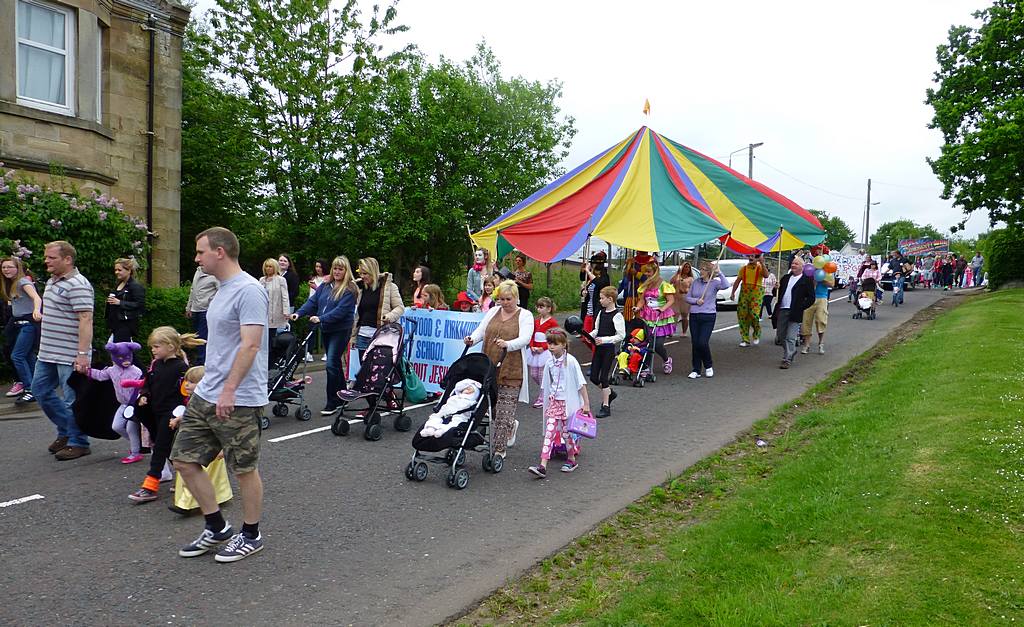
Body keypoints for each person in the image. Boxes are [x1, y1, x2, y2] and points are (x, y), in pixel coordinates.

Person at [171, 227, 269, 563]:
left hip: (239, 397)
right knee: (184, 460)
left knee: (243, 468)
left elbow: (251, 344)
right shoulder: (221, 290)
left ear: (220, 252)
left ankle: (251, 534)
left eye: (200, 252)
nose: (196, 259)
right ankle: (216, 527)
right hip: (208, 392)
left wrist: (229, 390)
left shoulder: (250, 291)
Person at [128, 326, 203, 503]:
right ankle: (187, 477)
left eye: (156, 346)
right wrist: (144, 395)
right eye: (152, 347)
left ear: (170, 346)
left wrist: (183, 413)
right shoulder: (156, 365)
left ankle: (150, 486)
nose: (153, 350)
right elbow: (147, 383)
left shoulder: (181, 367)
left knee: (160, 446)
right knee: (165, 446)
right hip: (154, 411)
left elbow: (187, 390)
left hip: (171, 413)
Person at [463, 279, 534, 465]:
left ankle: (499, 450)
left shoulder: (525, 315)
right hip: (489, 366)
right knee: (489, 407)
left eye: (508, 299)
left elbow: (525, 338)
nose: (504, 302)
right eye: (501, 299)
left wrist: (508, 344)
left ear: (516, 298)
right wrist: (472, 339)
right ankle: (511, 424)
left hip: (512, 368)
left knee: (503, 412)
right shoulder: (494, 311)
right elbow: (482, 330)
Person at [35, 241, 95, 461]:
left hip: (70, 353)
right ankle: (67, 431)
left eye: (51, 257)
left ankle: (78, 442)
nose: (46, 261)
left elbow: (86, 319)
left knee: (73, 400)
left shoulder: (78, 284)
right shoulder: (52, 281)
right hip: (48, 352)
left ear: (67, 259)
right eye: (46, 257)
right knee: (40, 391)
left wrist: (82, 354)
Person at [292, 256, 358, 415]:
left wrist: (321, 318)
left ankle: (333, 402)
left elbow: (340, 312)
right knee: (334, 364)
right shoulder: (326, 286)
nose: (337, 271)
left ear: (346, 271)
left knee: (330, 364)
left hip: (341, 329)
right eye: (335, 268)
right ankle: (343, 396)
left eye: (340, 269)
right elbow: (313, 302)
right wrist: (299, 313)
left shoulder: (350, 289)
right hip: (327, 328)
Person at [528, 328, 590, 478]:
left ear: (564, 344)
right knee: (550, 432)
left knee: (566, 433)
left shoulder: (571, 361)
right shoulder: (549, 362)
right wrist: (545, 400)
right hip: (554, 402)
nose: (551, 346)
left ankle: (571, 459)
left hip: (567, 403)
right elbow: (547, 384)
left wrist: (586, 404)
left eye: (555, 344)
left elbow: (581, 384)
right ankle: (542, 465)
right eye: (549, 343)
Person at [87, 341, 143, 463]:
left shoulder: (136, 371)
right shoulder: (112, 370)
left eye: (128, 356)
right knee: (116, 426)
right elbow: (101, 375)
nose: (126, 360)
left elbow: (140, 387)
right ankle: (138, 445)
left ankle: (135, 452)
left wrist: (135, 402)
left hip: (134, 406)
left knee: (130, 428)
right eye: (121, 357)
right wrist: (87, 371)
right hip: (123, 405)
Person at [1, 257, 42, 405]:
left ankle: (30, 389)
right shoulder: (10, 284)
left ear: (17, 268)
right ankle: (36, 388)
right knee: (28, 356)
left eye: (10, 267)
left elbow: (36, 298)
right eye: (4, 267)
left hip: (28, 324)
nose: (6, 270)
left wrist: (37, 310)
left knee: (17, 356)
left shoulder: (23, 282)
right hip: (19, 324)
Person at [353, 257, 405, 360]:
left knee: (379, 371)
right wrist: (353, 337)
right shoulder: (360, 288)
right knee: (364, 371)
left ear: (373, 272)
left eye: (365, 273)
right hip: (362, 335)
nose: (362, 276)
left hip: (381, 335)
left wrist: (389, 316)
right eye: (361, 273)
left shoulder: (390, 287)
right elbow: (357, 314)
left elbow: (400, 307)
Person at [684, 260, 729, 379]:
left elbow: (726, 285)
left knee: (702, 342)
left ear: (709, 271)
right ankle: (696, 369)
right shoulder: (695, 282)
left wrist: (719, 273)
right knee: (695, 343)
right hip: (694, 315)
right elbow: (687, 297)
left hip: (708, 316)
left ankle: (708, 365)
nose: (701, 271)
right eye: (701, 269)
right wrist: (696, 301)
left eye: (703, 269)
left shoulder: (714, 283)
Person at [772, 257, 815, 369]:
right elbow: (776, 293)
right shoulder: (785, 278)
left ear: (802, 266)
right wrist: (775, 288)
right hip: (782, 309)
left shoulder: (806, 280)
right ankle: (790, 351)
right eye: (792, 263)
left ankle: (787, 358)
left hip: (795, 311)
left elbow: (811, 298)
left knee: (790, 337)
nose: (793, 265)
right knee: (781, 336)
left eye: (796, 264)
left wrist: (801, 307)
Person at [636, 262, 677, 374]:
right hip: (648, 316)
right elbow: (641, 300)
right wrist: (637, 308)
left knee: (658, 344)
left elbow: (671, 300)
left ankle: (666, 360)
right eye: (646, 272)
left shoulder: (664, 285)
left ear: (655, 272)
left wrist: (662, 308)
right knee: (648, 342)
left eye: (649, 272)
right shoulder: (645, 286)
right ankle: (646, 366)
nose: (647, 274)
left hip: (661, 316)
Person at [591, 286, 625, 418]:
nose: (600, 301)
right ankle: (610, 393)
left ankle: (606, 406)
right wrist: (589, 335)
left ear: (610, 299)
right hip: (599, 348)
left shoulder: (617, 316)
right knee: (594, 377)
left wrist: (605, 340)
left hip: (608, 349)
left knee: (604, 377)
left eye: (602, 298)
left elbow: (621, 335)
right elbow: (596, 330)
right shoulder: (601, 313)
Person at [730, 253, 768, 347]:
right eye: (750, 256)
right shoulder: (743, 269)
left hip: (756, 293)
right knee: (742, 315)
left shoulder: (759, 267)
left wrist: (762, 263)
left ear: (758, 258)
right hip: (745, 293)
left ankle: (756, 333)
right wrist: (733, 292)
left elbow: (766, 275)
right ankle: (745, 339)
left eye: (754, 256)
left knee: (754, 314)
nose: (751, 258)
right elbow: (738, 281)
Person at [105, 257, 146, 344]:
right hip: (115, 324)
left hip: (125, 324)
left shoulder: (135, 286)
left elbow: (140, 304)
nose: (116, 272)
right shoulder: (118, 285)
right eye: (115, 270)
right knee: (118, 350)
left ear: (129, 270)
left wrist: (120, 302)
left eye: (119, 270)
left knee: (122, 350)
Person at [527, 297, 558, 408]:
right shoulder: (536, 321)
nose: (539, 309)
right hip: (535, 351)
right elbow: (532, 335)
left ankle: (543, 396)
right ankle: (547, 391)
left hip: (545, 352)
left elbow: (554, 337)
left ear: (549, 309)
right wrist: (531, 346)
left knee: (542, 375)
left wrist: (544, 348)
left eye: (542, 307)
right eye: (538, 307)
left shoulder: (552, 322)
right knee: (533, 374)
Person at [259, 258, 290, 365]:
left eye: (270, 266)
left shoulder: (281, 280)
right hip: (264, 312)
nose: (268, 268)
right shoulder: (262, 280)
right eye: (266, 266)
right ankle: (265, 361)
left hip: (276, 311)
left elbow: (285, 296)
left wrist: (286, 311)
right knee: (264, 338)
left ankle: (272, 361)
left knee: (272, 337)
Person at [185, 265, 218, 365]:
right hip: (196, 310)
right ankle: (201, 359)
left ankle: (202, 362)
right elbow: (193, 290)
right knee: (197, 337)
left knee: (203, 337)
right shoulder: (198, 271)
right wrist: (189, 307)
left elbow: (221, 290)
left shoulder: (215, 274)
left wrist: (212, 302)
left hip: (207, 310)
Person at [800, 271, 834, 355]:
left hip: (822, 297)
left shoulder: (827, 272)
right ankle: (806, 345)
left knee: (821, 320)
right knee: (806, 321)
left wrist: (821, 280)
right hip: (809, 297)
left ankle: (821, 343)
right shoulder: (810, 271)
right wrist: (813, 282)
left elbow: (832, 284)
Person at [579, 257, 610, 333]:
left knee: (594, 331)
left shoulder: (604, 277)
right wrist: (583, 291)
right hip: (588, 308)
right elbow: (584, 282)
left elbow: (598, 283)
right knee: (586, 334)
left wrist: (588, 272)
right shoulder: (590, 276)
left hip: (598, 307)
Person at [670, 263, 694, 336]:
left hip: (685, 299)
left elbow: (692, 289)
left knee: (684, 315)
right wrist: (677, 274)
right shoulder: (677, 276)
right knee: (674, 314)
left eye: (688, 267)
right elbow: (670, 282)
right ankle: (672, 331)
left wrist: (685, 291)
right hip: (675, 298)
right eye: (685, 267)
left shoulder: (691, 279)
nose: (686, 268)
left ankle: (684, 332)